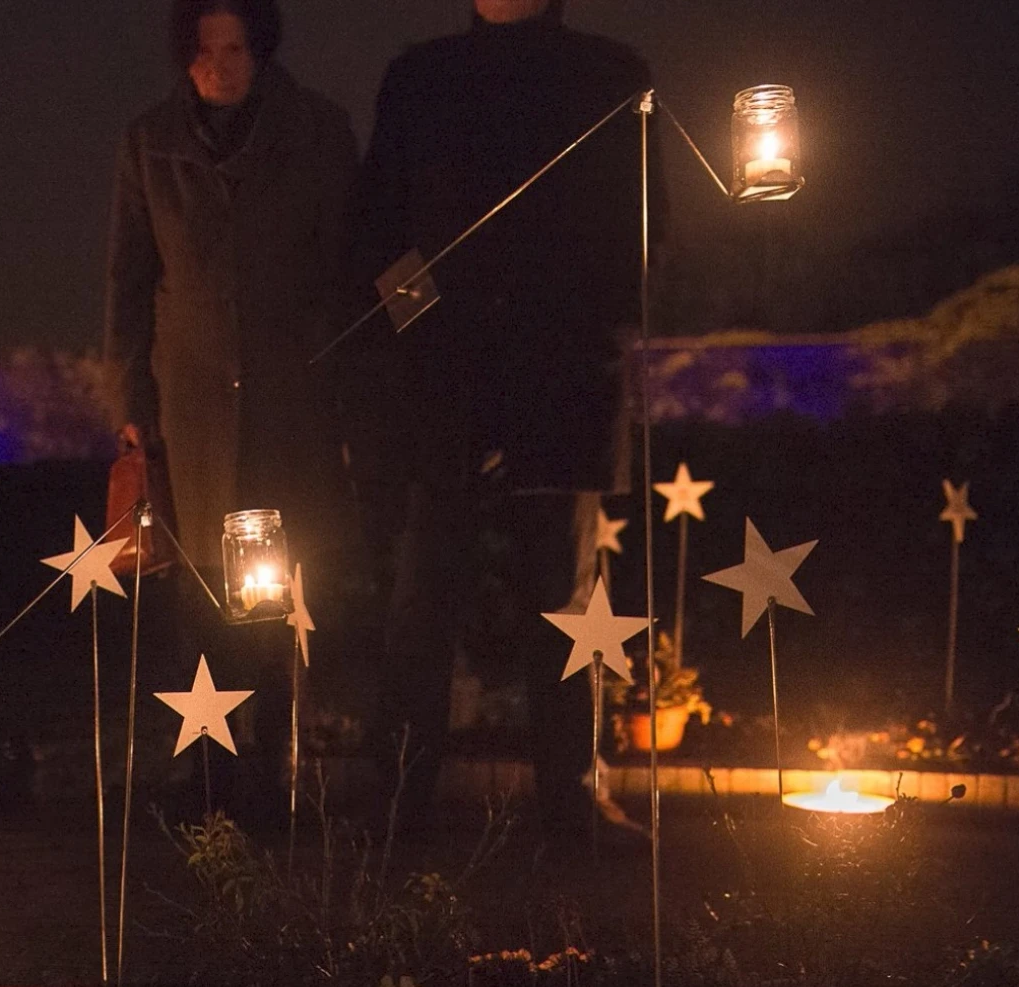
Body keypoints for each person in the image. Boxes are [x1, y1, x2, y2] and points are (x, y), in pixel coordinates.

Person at [345, 0, 665, 841]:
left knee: (564, 603)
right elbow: (377, 225)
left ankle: (572, 800)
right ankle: (402, 799)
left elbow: (644, 227)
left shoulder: (609, 72)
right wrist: (431, 331)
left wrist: (573, 325)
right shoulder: (421, 77)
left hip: (559, 383)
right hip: (444, 386)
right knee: (423, 600)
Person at [104, 0, 357, 812]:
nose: (220, 64)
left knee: (284, 598)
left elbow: (344, 268)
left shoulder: (317, 131)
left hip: (292, 403)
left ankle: (279, 773)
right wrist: (133, 403)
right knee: (201, 598)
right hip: (194, 410)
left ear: (262, 48)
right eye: (205, 49)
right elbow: (130, 283)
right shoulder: (151, 143)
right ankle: (211, 778)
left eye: (236, 47)